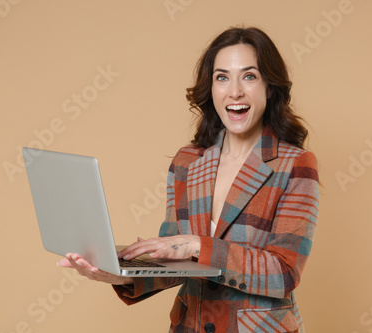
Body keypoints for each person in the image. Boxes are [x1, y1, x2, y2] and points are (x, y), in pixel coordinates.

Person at [59, 26, 319, 333]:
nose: (234, 91)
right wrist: (121, 274)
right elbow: (176, 262)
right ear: (211, 88)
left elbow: (283, 272)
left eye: (249, 76)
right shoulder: (188, 161)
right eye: (222, 77)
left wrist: (196, 244)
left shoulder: (295, 165)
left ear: (269, 87)